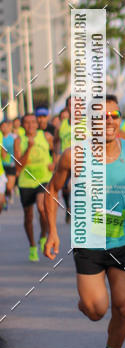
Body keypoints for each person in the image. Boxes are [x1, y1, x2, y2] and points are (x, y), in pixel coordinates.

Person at [44, 95, 125, 348]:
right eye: (101, 117)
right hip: (89, 241)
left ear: (119, 119)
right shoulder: (73, 155)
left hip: (123, 240)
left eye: (114, 116)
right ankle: (86, 301)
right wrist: (52, 232)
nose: (108, 121)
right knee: (96, 311)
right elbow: (52, 190)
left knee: (122, 307)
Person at [14, 111, 54, 261]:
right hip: (26, 181)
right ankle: (32, 246)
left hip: (44, 179)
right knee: (28, 216)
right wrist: (29, 148)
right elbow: (19, 166)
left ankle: (43, 235)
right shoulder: (19, 140)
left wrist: (54, 163)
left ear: (37, 124)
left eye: (33, 122)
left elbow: (55, 150)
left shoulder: (46, 136)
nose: (30, 125)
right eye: (27, 122)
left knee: (42, 207)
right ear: (22, 125)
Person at [1, 119, 16, 203]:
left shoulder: (13, 138)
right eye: (2, 127)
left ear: (8, 127)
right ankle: (4, 200)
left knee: (9, 187)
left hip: (11, 164)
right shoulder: (0, 137)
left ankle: (8, 195)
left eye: (5, 126)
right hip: (2, 165)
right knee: (2, 187)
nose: (3, 128)